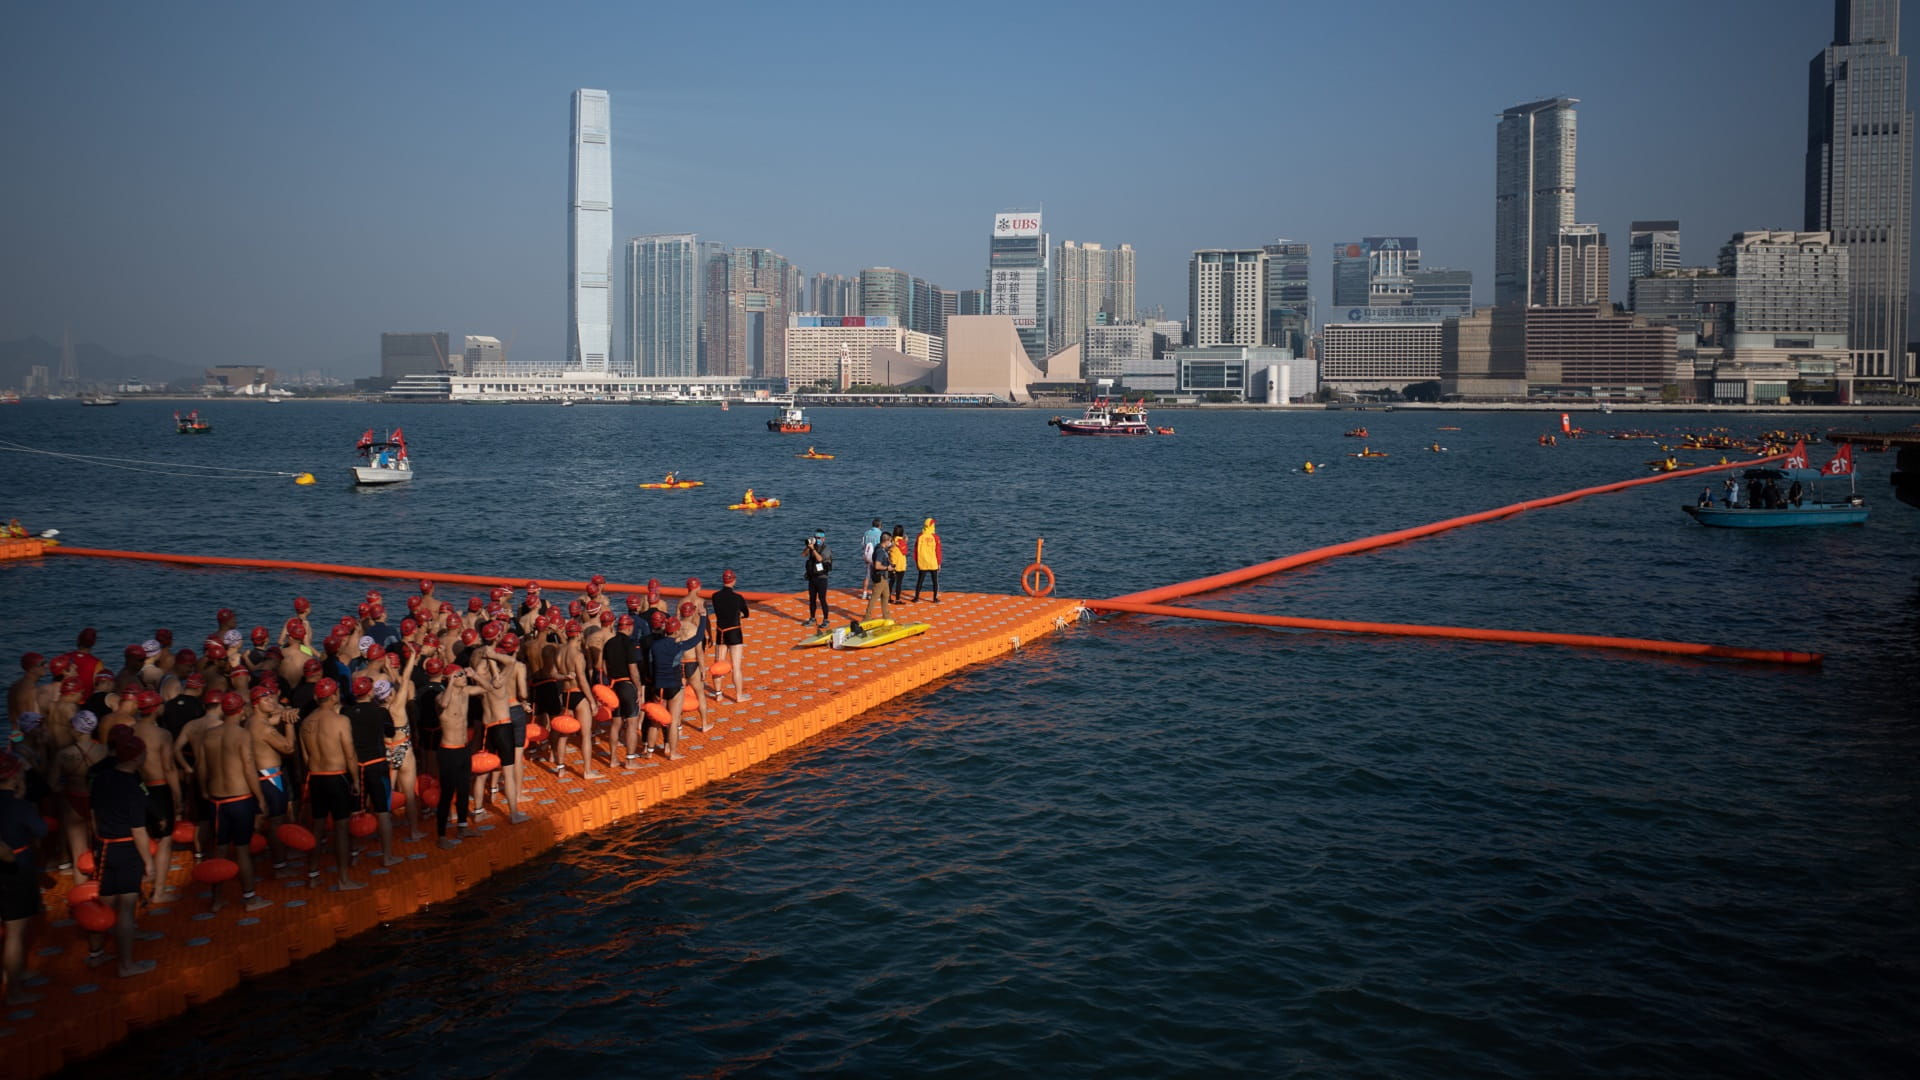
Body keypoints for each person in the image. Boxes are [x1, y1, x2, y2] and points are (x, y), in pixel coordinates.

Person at [87, 733, 157, 977]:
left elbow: (93, 817)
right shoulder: (133, 788)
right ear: (138, 757)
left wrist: (99, 843)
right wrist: (149, 863)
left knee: (105, 905)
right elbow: (138, 831)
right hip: (126, 848)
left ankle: (96, 954)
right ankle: (126, 965)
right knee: (126, 909)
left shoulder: (101, 778)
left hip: (104, 846)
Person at [196, 693, 271, 912]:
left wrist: (203, 790)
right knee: (242, 850)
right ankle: (249, 898)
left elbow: (201, 767)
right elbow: (249, 768)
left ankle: (217, 900)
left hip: (216, 800)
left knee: (218, 850)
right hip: (240, 799)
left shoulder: (208, 735)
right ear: (240, 711)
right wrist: (261, 798)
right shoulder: (241, 735)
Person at [297, 678, 364, 891]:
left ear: (317, 697)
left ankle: (313, 874)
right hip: (337, 776)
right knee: (341, 828)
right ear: (334, 696)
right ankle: (343, 879)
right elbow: (350, 754)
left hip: (316, 777)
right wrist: (355, 780)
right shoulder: (340, 721)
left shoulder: (306, 723)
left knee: (317, 827)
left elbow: (306, 759)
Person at [1, 751, 50, 1003]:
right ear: (14, 775)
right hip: (16, 868)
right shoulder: (17, 805)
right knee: (15, 931)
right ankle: (14, 992)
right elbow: (41, 830)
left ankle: (15, 972)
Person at [433, 666, 479, 848]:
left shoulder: (465, 693)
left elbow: (489, 688)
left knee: (463, 789)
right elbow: (444, 704)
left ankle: (462, 826)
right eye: (459, 675)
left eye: (462, 675)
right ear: (449, 679)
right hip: (448, 751)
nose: (463, 678)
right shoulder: (440, 697)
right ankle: (442, 836)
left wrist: (474, 675)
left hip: (463, 749)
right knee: (446, 794)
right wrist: (451, 680)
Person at [710, 569, 750, 704]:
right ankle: (739, 696)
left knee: (718, 663)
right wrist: (739, 615)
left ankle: (718, 694)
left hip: (721, 632)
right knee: (736, 666)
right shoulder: (738, 598)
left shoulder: (715, 597)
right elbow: (746, 613)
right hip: (734, 632)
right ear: (734, 580)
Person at [804, 531, 833, 626]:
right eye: (816, 537)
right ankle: (812, 618)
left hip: (822, 578)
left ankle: (826, 619)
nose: (817, 539)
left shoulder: (826, 549)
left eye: (819, 538)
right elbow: (803, 555)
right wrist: (809, 547)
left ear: (824, 539)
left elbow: (820, 559)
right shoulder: (813, 547)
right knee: (812, 599)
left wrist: (814, 550)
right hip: (812, 577)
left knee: (822, 599)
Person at [912, 517, 942, 603]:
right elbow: (938, 551)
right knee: (935, 581)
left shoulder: (920, 536)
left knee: (920, 580)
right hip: (933, 562)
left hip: (922, 562)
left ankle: (916, 597)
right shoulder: (935, 537)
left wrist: (916, 562)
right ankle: (935, 598)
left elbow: (915, 550)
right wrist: (939, 563)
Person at [863, 540, 893, 621]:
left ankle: (886, 616)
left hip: (883, 577)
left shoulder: (879, 548)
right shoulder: (880, 551)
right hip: (880, 577)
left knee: (886, 595)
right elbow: (877, 566)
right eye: (890, 541)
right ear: (886, 541)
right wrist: (887, 568)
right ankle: (867, 616)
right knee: (874, 597)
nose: (890, 543)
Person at [860, 518, 882, 600]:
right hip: (876, 557)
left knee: (867, 575)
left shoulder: (866, 533)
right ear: (879, 525)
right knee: (876, 576)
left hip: (868, 556)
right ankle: (875, 594)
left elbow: (863, 544)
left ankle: (864, 593)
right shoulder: (880, 534)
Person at [888, 525, 908, 603]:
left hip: (892, 563)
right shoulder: (901, 541)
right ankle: (897, 599)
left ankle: (888, 597)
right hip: (900, 564)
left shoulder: (891, 540)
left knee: (891, 581)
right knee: (899, 582)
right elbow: (905, 551)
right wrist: (905, 542)